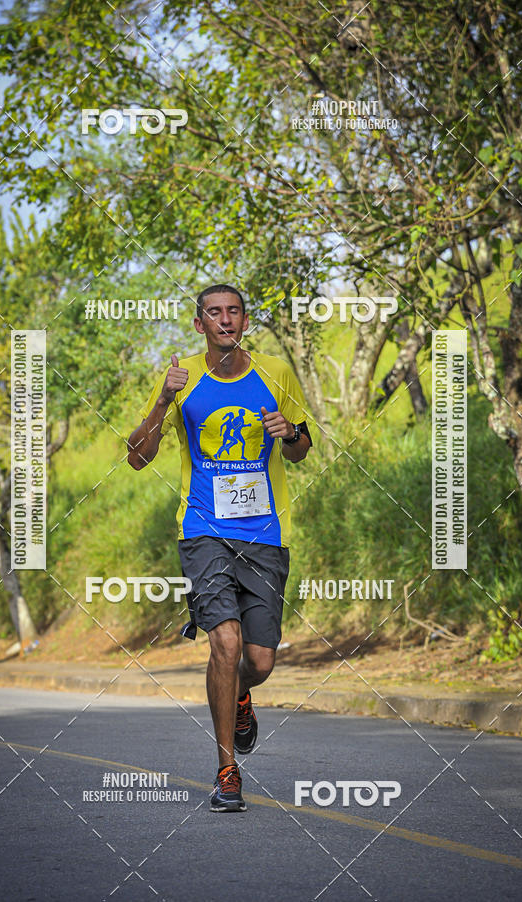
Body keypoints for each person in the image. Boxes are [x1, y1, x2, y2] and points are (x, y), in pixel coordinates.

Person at [127, 284, 313, 813]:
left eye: (233, 312)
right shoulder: (180, 378)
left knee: (259, 658)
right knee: (225, 644)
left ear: (245, 320)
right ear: (199, 323)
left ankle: (241, 695)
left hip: (265, 533)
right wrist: (163, 399)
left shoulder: (275, 372)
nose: (225, 321)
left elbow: (301, 451)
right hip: (203, 529)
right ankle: (227, 770)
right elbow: (139, 457)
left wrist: (289, 431)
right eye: (215, 313)